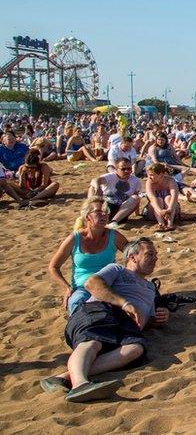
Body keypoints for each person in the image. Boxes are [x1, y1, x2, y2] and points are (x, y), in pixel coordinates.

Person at [41, 238, 169, 403]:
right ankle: (80, 384)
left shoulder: (151, 288)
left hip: (126, 324)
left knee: (135, 349)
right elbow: (92, 283)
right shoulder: (117, 269)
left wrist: (159, 318)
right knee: (93, 341)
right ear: (132, 257)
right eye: (150, 254)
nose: (155, 258)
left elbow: (147, 319)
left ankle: (65, 377)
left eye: (156, 255)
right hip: (100, 309)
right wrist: (124, 303)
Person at [48, 198, 130, 315]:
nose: (104, 214)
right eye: (98, 211)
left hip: (109, 285)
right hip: (83, 288)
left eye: (105, 211)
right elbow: (54, 267)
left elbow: (133, 255)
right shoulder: (75, 239)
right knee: (77, 304)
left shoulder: (114, 236)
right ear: (87, 217)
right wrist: (67, 288)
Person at [89, 158, 142, 227]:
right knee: (92, 188)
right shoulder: (110, 176)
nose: (127, 171)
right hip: (106, 206)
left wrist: (137, 213)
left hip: (122, 210)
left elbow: (136, 197)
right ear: (116, 169)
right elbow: (95, 180)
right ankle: (90, 212)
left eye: (129, 169)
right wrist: (98, 187)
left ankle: (114, 221)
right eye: (123, 169)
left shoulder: (136, 180)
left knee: (136, 197)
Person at [143, 163, 183, 231]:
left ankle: (170, 224)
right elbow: (152, 199)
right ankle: (161, 224)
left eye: (152, 175)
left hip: (171, 211)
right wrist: (160, 211)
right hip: (154, 211)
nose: (149, 177)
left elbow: (175, 196)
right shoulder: (149, 182)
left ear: (161, 175)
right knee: (158, 200)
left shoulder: (170, 180)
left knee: (168, 198)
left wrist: (169, 209)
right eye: (149, 175)